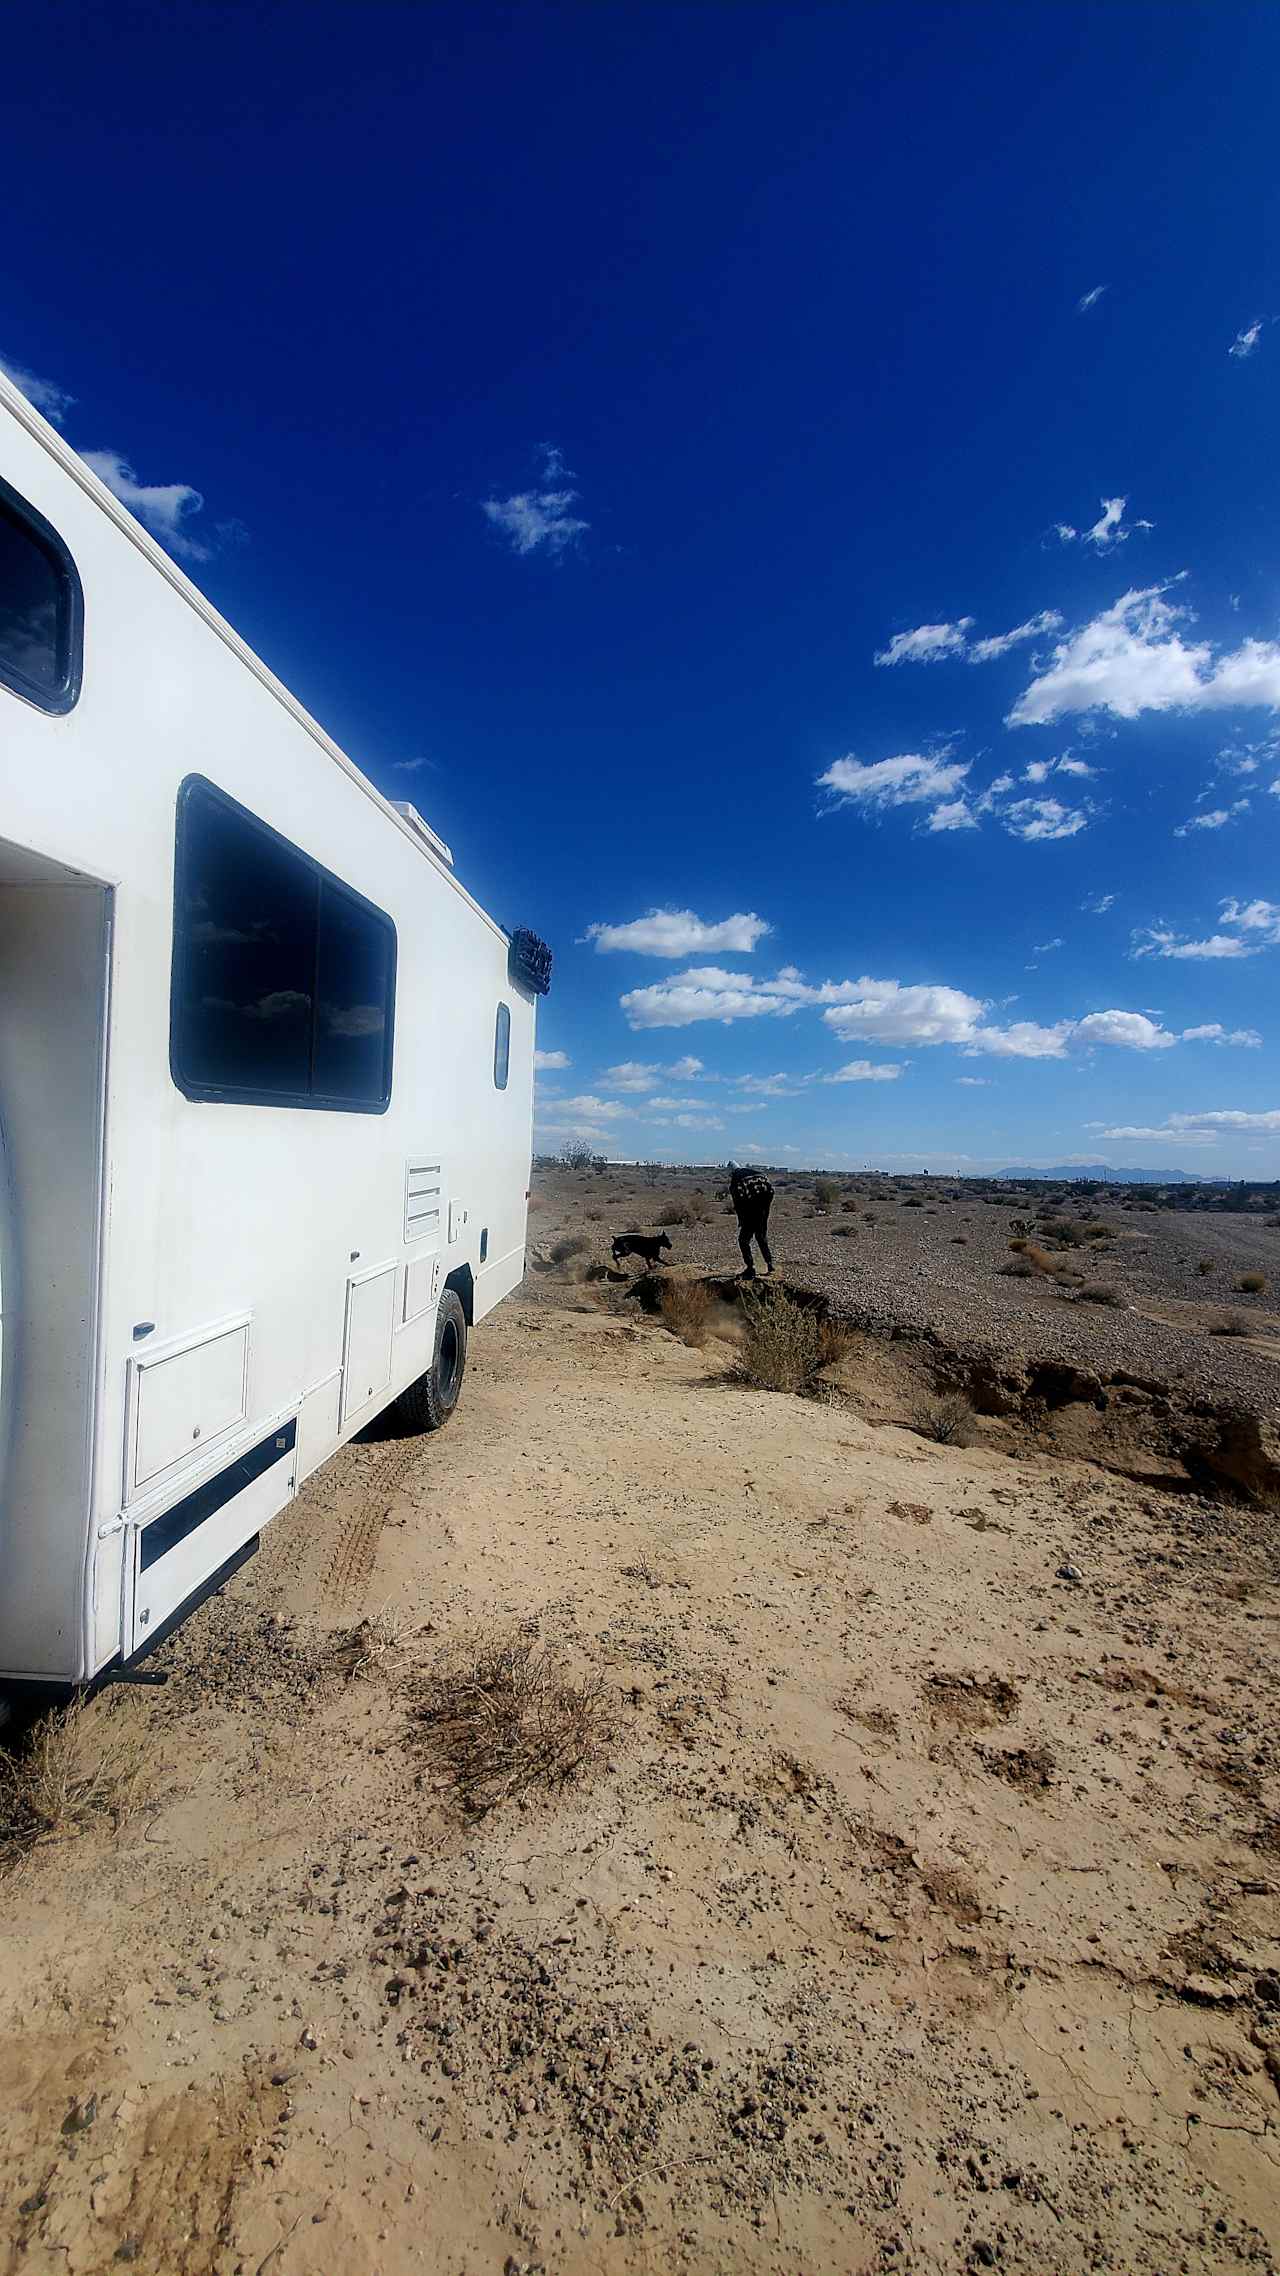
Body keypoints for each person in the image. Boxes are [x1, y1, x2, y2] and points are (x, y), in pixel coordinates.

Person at [726, 1161, 774, 1278]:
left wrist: (742, 1220)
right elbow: (771, 1190)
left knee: (743, 1240)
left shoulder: (735, 1180)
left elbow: (738, 1203)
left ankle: (750, 1268)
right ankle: (770, 1265)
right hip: (763, 1209)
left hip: (751, 1212)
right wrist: (765, 1208)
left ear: (731, 1171)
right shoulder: (757, 1173)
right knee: (761, 1237)